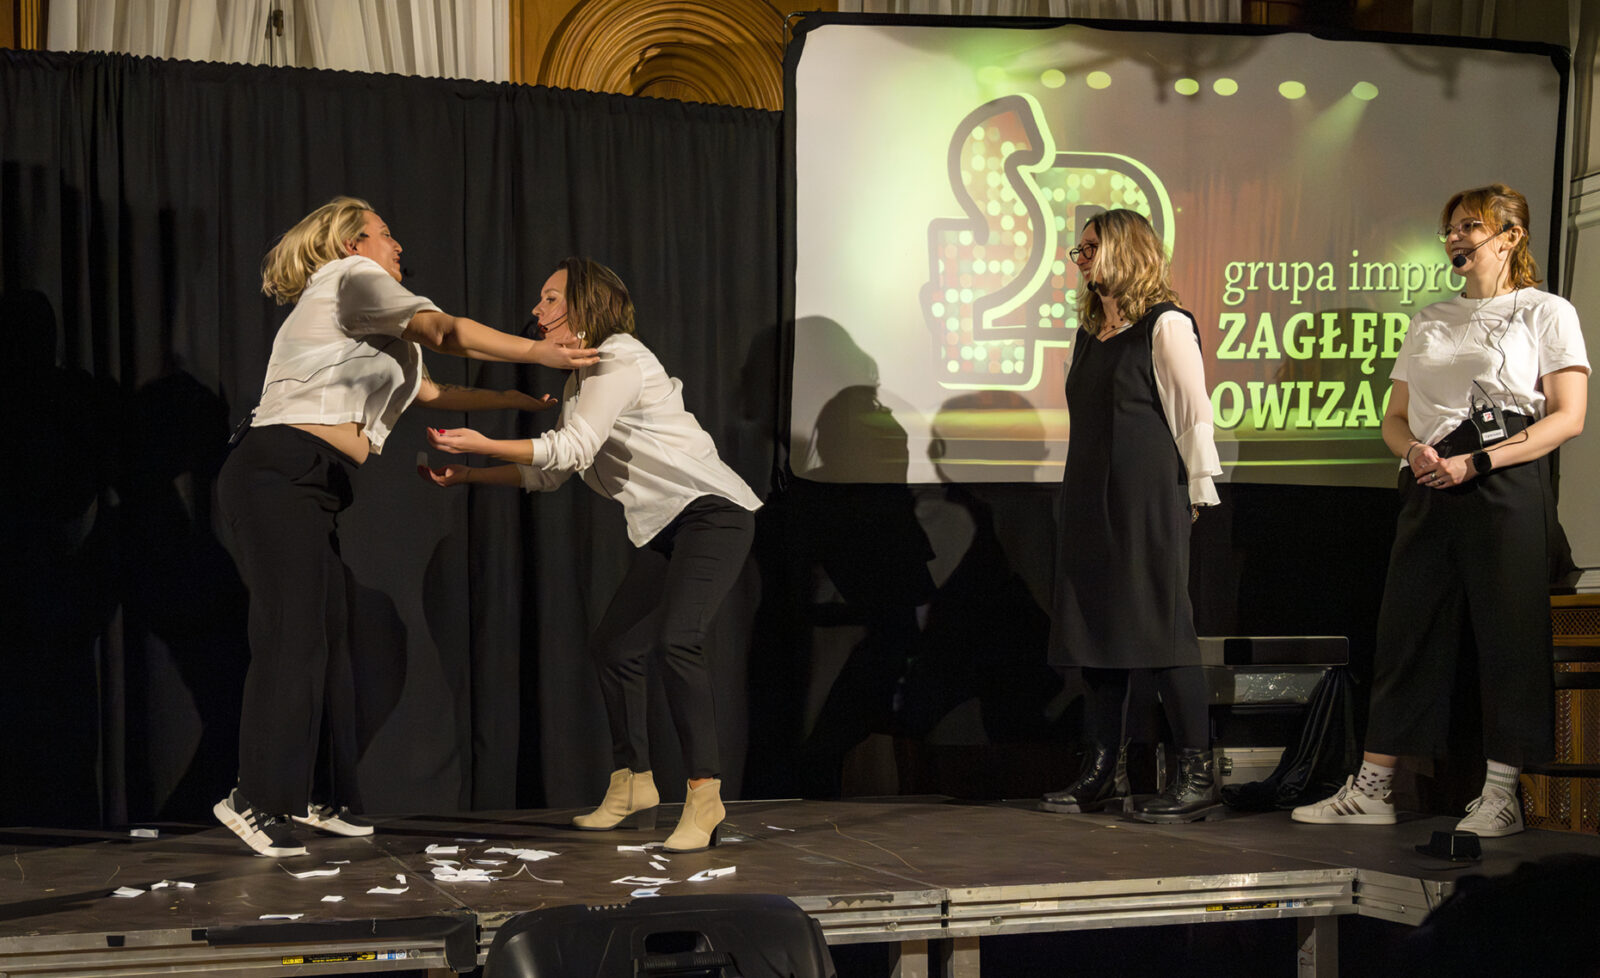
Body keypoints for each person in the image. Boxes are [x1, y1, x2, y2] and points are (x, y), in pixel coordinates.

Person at [215, 197, 597, 857]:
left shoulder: (373, 320)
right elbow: (445, 331)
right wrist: (542, 351)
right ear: (350, 243)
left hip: (311, 481)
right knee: (292, 637)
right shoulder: (350, 279)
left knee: (331, 640)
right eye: (385, 234)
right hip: (276, 469)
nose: (398, 246)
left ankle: (314, 796)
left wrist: (513, 398)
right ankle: (254, 798)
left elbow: (433, 392)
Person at [424, 257, 761, 853]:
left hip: (712, 514)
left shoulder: (618, 359)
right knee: (615, 647)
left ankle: (705, 797)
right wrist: (471, 473)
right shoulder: (582, 379)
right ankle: (634, 783)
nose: (538, 310)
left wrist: (487, 442)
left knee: (676, 641)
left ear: (586, 304)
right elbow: (553, 474)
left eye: (551, 298)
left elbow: (572, 448)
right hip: (667, 527)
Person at [1293, 183, 1588, 837]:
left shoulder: (1547, 311)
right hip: (1428, 484)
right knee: (1407, 634)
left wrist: (1476, 463)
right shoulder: (1430, 317)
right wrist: (1415, 452)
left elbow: (1568, 417)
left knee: (1508, 639)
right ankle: (1373, 789)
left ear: (1510, 236)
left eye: (1470, 226)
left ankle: (1501, 794)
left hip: (1503, 484)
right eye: (1449, 228)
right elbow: (1393, 417)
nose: (1455, 237)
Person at [1040, 208, 1224, 823]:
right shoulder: (1090, 333)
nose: (1080, 258)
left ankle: (1196, 774)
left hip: (1146, 494)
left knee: (1163, 631)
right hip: (1089, 495)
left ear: (1125, 251)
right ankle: (1102, 773)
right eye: (1079, 250)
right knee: (1096, 630)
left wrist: (1197, 488)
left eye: (1090, 247)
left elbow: (1192, 412)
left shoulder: (1165, 324)